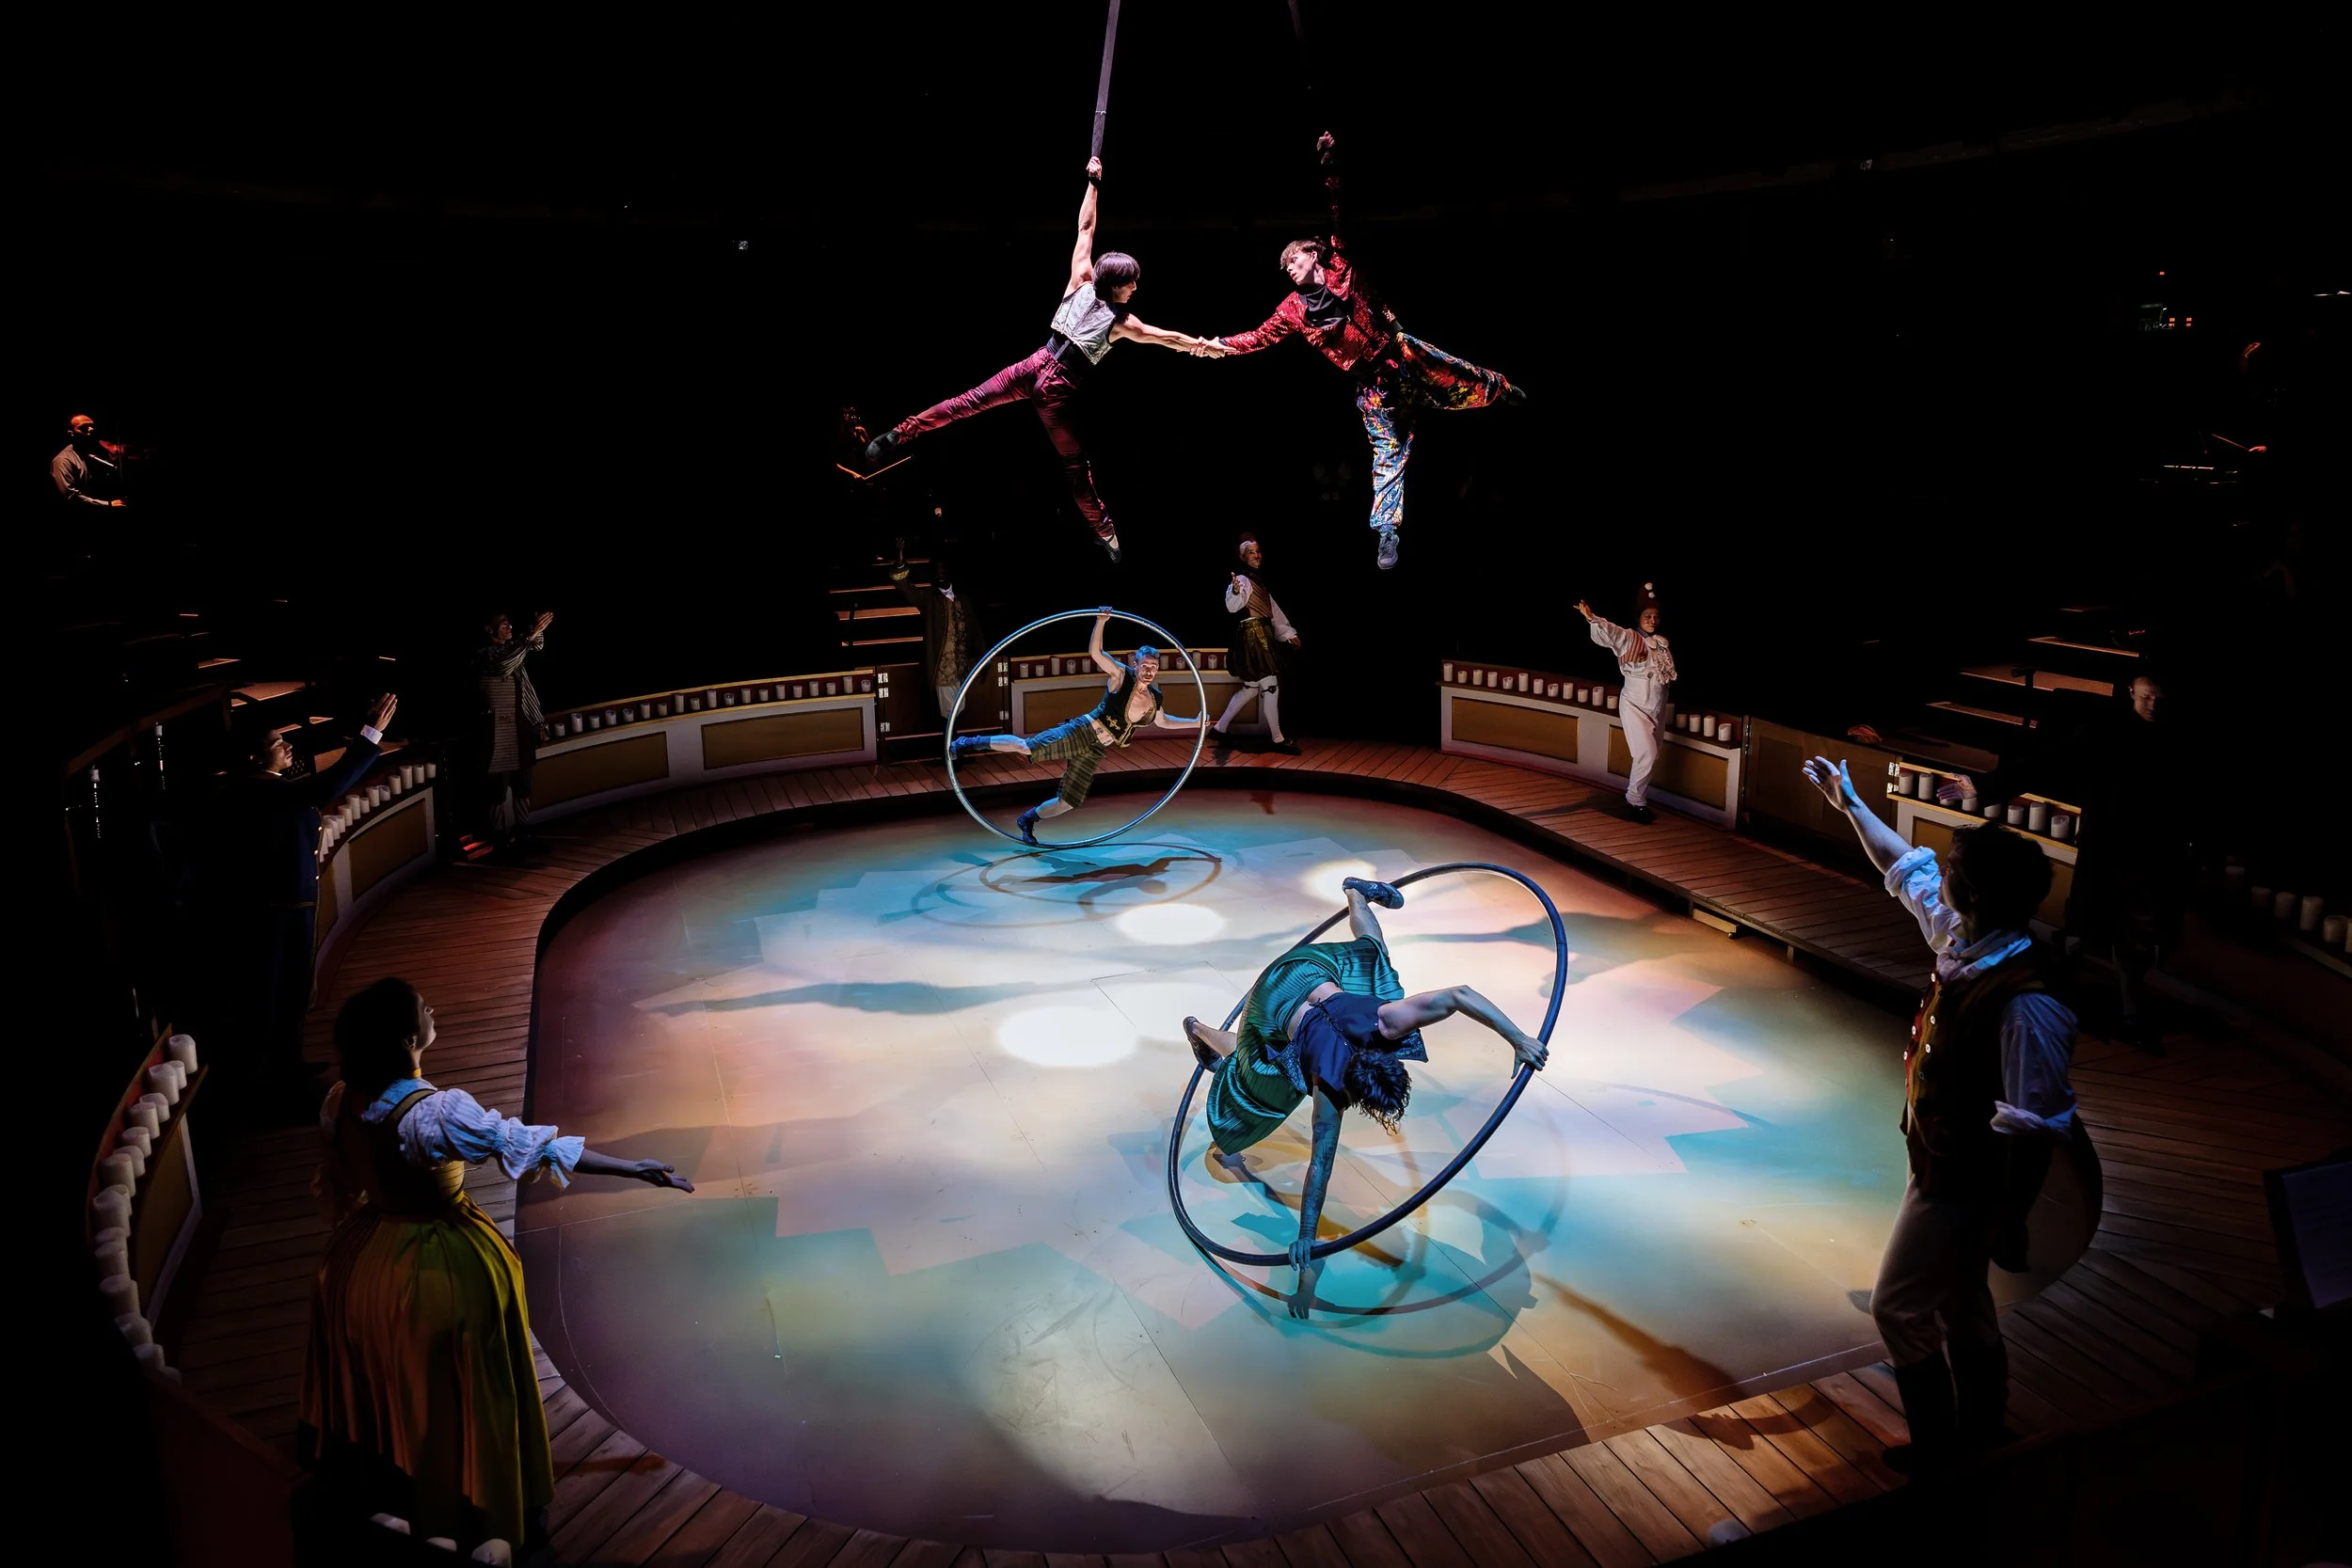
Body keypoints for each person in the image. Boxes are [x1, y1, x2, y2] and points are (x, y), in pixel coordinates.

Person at [302, 978, 691, 1556]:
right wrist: (631, 1167)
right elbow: (527, 1143)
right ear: (409, 1039)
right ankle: (478, 1497)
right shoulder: (434, 1114)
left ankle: (396, 1484)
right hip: (437, 1267)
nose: (434, 1008)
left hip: (364, 1264)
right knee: (468, 1382)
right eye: (424, 1007)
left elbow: (343, 1178)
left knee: (394, 1379)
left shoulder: (342, 1100)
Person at [1800, 753, 2079, 1473]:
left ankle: (1938, 1452)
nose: (1939, 870)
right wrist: (1851, 805)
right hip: (1942, 1158)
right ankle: (1980, 1435)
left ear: (1975, 891)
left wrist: (2009, 1218)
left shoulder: (2027, 1003)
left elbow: (2035, 1125)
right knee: (1961, 1300)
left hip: (1965, 1181)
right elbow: (1905, 871)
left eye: (1952, 866)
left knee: (1898, 1307)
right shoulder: (1968, 936)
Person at [1184, 877, 1549, 1318]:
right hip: (1276, 993)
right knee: (1256, 1069)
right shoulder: (1327, 1087)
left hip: (1311, 968)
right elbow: (1319, 1166)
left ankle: (1356, 893)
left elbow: (1459, 995)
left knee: (1373, 957)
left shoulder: (1387, 1021)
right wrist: (1306, 1237)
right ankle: (1200, 1030)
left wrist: (1518, 1038)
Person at [865, 158, 1222, 562]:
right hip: (1054, 389)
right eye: (1131, 283)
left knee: (968, 404)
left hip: (1032, 366)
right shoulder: (1121, 321)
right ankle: (1105, 532)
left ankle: (900, 433)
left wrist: (1093, 183)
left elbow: (1085, 229)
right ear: (1115, 286)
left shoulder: (1080, 280)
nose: (1135, 287)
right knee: (1073, 464)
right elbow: (1168, 338)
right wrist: (1202, 346)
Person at [1201, 134, 1523, 570]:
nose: (1289, 270)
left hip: (1401, 353)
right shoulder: (1292, 310)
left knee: (1458, 377)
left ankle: (1501, 388)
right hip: (1373, 385)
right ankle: (1387, 531)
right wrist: (1218, 345)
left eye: (1293, 261)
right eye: (1285, 268)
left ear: (1312, 254)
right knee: (1387, 453)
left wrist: (1329, 164)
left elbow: (1340, 211)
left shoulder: (1341, 263)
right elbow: (1259, 337)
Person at [208, 693, 400, 1114]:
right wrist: (371, 734)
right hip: (275, 912)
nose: (288, 746)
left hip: (288, 905)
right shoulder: (261, 792)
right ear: (256, 758)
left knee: (292, 990)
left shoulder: (264, 788)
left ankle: (289, 1063)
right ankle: (277, 1083)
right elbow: (330, 785)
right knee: (275, 993)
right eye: (278, 743)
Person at [950, 608, 1206, 844]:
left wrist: (1195, 723)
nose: (1149, 671)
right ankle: (967, 743)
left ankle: (1027, 819)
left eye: (1154, 667)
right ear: (1135, 664)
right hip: (1081, 731)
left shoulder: (1155, 698)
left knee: (1069, 801)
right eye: (1145, 666)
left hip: (1096, 748)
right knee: (1027, 747)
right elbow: (1096, 653)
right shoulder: (1121, 676)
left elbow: (1162, 721)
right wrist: (1101, 622)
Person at [1578, 584, 1677, 823]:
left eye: (1655, 617)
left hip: (1656, 706)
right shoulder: (1631, 638)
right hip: (1634, 705)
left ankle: (1638, 800)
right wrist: (1593, 619)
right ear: (1639, 618)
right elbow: (1613, 633)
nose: (1652, 620)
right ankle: (1635, 801)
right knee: (1647, 755)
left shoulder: (1661, 644)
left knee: (1651, 756)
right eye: (1647, 616)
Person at [1214, 532, 1301, 755]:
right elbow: (1233, 605)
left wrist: (1287, 633)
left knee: (1252, 688)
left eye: (1258, 551)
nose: (1256, 555)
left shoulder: (1258, 581)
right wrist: (1235, 591)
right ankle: (1278, 739)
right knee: (1271, 686)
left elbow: (1272, 610)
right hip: (1253, 636)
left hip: (1261, 633)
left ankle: (1219, 728)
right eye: (1251, 552)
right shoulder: (1243, 580)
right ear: (1242, 557)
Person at [472, 610, 552, 852]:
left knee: (523, 787)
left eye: (509, 624)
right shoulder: (484, 655)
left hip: (520, 729)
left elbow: (535, 645)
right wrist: (530, 634)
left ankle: (522, 832)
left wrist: (536, 630)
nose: (508, 627)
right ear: (489, 629)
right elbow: (504, 663)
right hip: (495, 732)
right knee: (495, 792)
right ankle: (498, 838)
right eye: (503, 624)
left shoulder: (514, 650)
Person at [892, 548, 979, 721]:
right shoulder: (929, 600)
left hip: (961, 669)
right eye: (936, 572)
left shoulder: (963, 599)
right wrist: (900, 563)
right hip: (942, 670)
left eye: (942, 571)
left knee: (960, 711)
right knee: (947, 716)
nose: (939, 575)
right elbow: (906, 588)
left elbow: (975, 630)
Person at [53, 412, 128, 510]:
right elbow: (71, 497)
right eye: (83, 428)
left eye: (92, 426)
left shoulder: (89, 454)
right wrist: (108, 504)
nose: (91, 429)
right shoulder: (62, 460)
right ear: (71, 433)